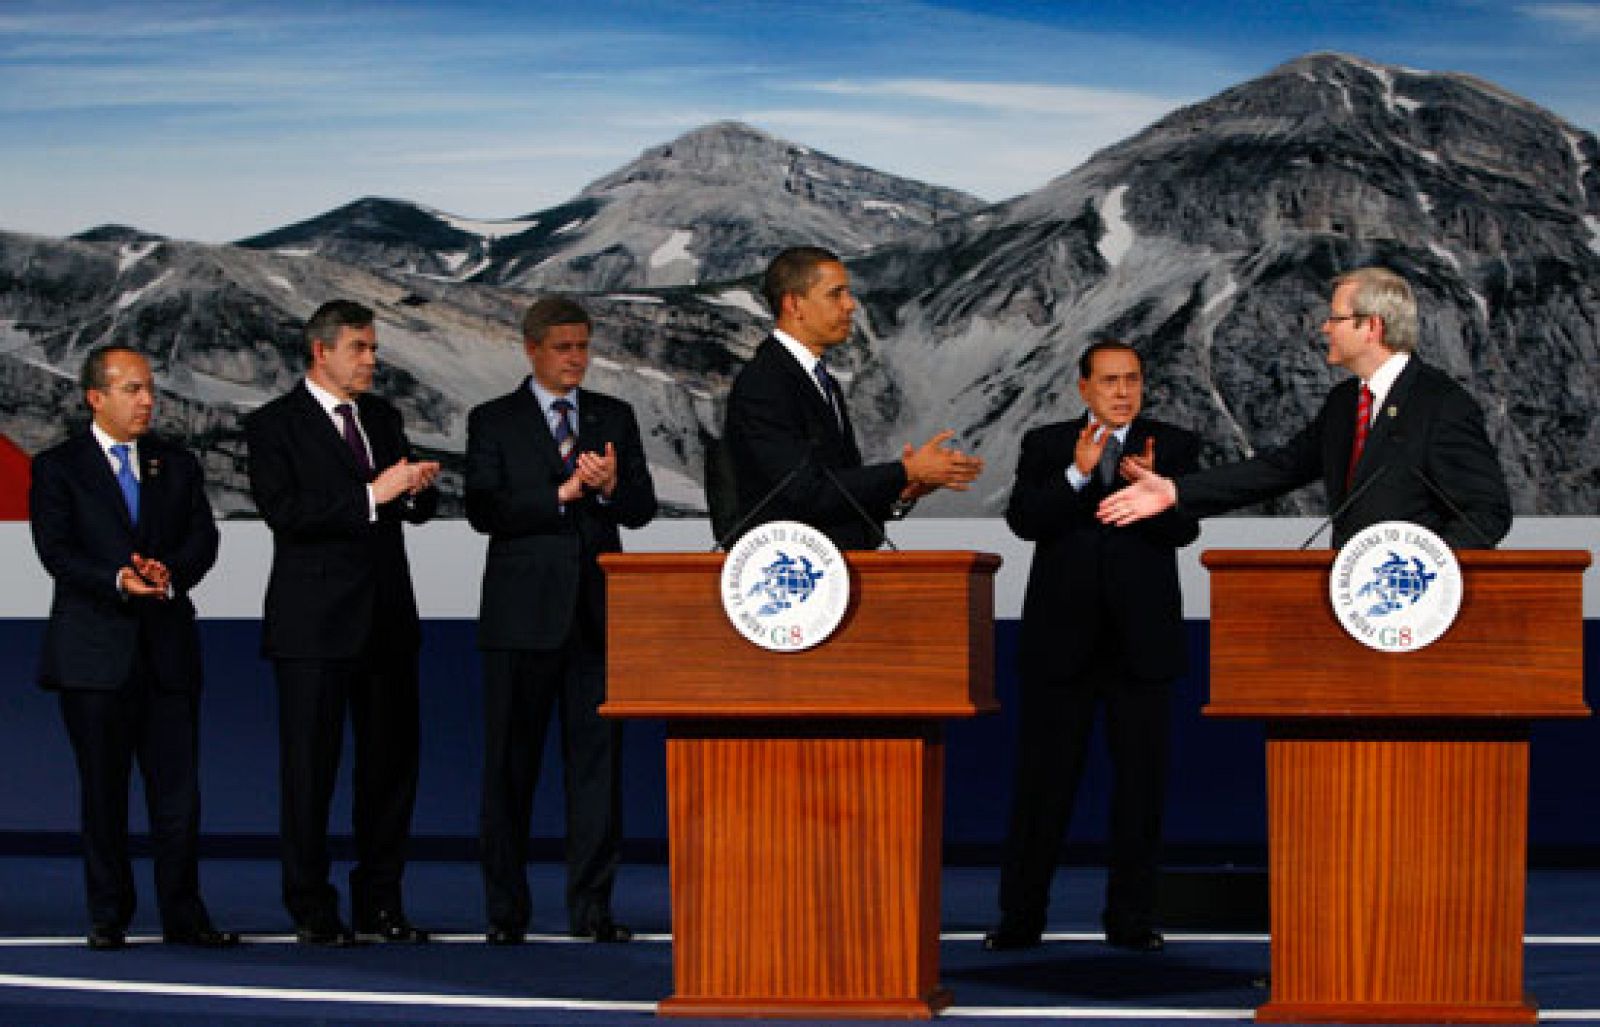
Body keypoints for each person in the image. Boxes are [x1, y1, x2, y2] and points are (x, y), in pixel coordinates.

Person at [985, 340, 1200, 954]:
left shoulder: (1173, 445)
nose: (1122, 391)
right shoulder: (1047, 445)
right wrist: (1078, 475)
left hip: (1142, 647)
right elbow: (1027, 521)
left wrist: (1151, 489)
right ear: (1084, 388)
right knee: (1041, 790)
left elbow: (1183, 529)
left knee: (1141, 792)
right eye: (1108, 381)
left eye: (1132, 379)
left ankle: (1131, 923)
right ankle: (1020, 920)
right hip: (1062, 646)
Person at [244, 299, 440, 946]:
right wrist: (371, 495)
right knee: (310, 772)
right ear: (320, 351)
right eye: (360, 347)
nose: (372, 360)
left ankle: (381, 903)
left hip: (386, 621)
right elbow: (286, 512)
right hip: (314, 627)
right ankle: (312, 906)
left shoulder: (382, 416)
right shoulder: (274, 424)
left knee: (389, 772)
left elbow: (412, 509)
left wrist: (415, 487)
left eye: (374, 347)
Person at [29, 345, 238, 951]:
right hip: (93, 656)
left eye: (150, 389)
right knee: (103, 792)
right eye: (133, 390)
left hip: (167, 651)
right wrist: (120, 579)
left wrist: (167, 573)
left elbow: (203, 536)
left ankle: (184, 914)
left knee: (179, 796)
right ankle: (108, 915)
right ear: (97, 398)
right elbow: (57, 552)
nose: (148, 401)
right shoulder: (58, 467)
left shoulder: (177, 463)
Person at [467, 296, 658, 945]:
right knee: (509, 769)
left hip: (599, 621)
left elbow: (641, 508)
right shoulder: (492, 419)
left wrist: (607, 488)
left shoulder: (615, 416)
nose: (577, 358)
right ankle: (505, 910)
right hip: (521, 621)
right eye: (563, 347)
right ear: (532, 348)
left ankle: (593, 909)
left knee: (597, 773)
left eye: (583, 345)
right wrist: (560, 495)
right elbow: (482, 508)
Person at [1099, 267, 1511, 548]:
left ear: (1371, 327)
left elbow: (1487, 512)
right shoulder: (1345, 402)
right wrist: (1175, 490)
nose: (1324, 328)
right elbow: (1280, 468)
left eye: (1335, 319)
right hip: (1355, 604)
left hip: (1420, 609)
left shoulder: (1441, 403)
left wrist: (1423, 566)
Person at [720, 245, 983, 549]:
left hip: (835, 569)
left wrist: (905, 490)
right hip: (791, 571)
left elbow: (839, 492)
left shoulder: (822, 382)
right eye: (836, 294)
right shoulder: (766, 381)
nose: (850, 305)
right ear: (794, 305)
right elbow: (803, 492)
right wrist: (904, 470)